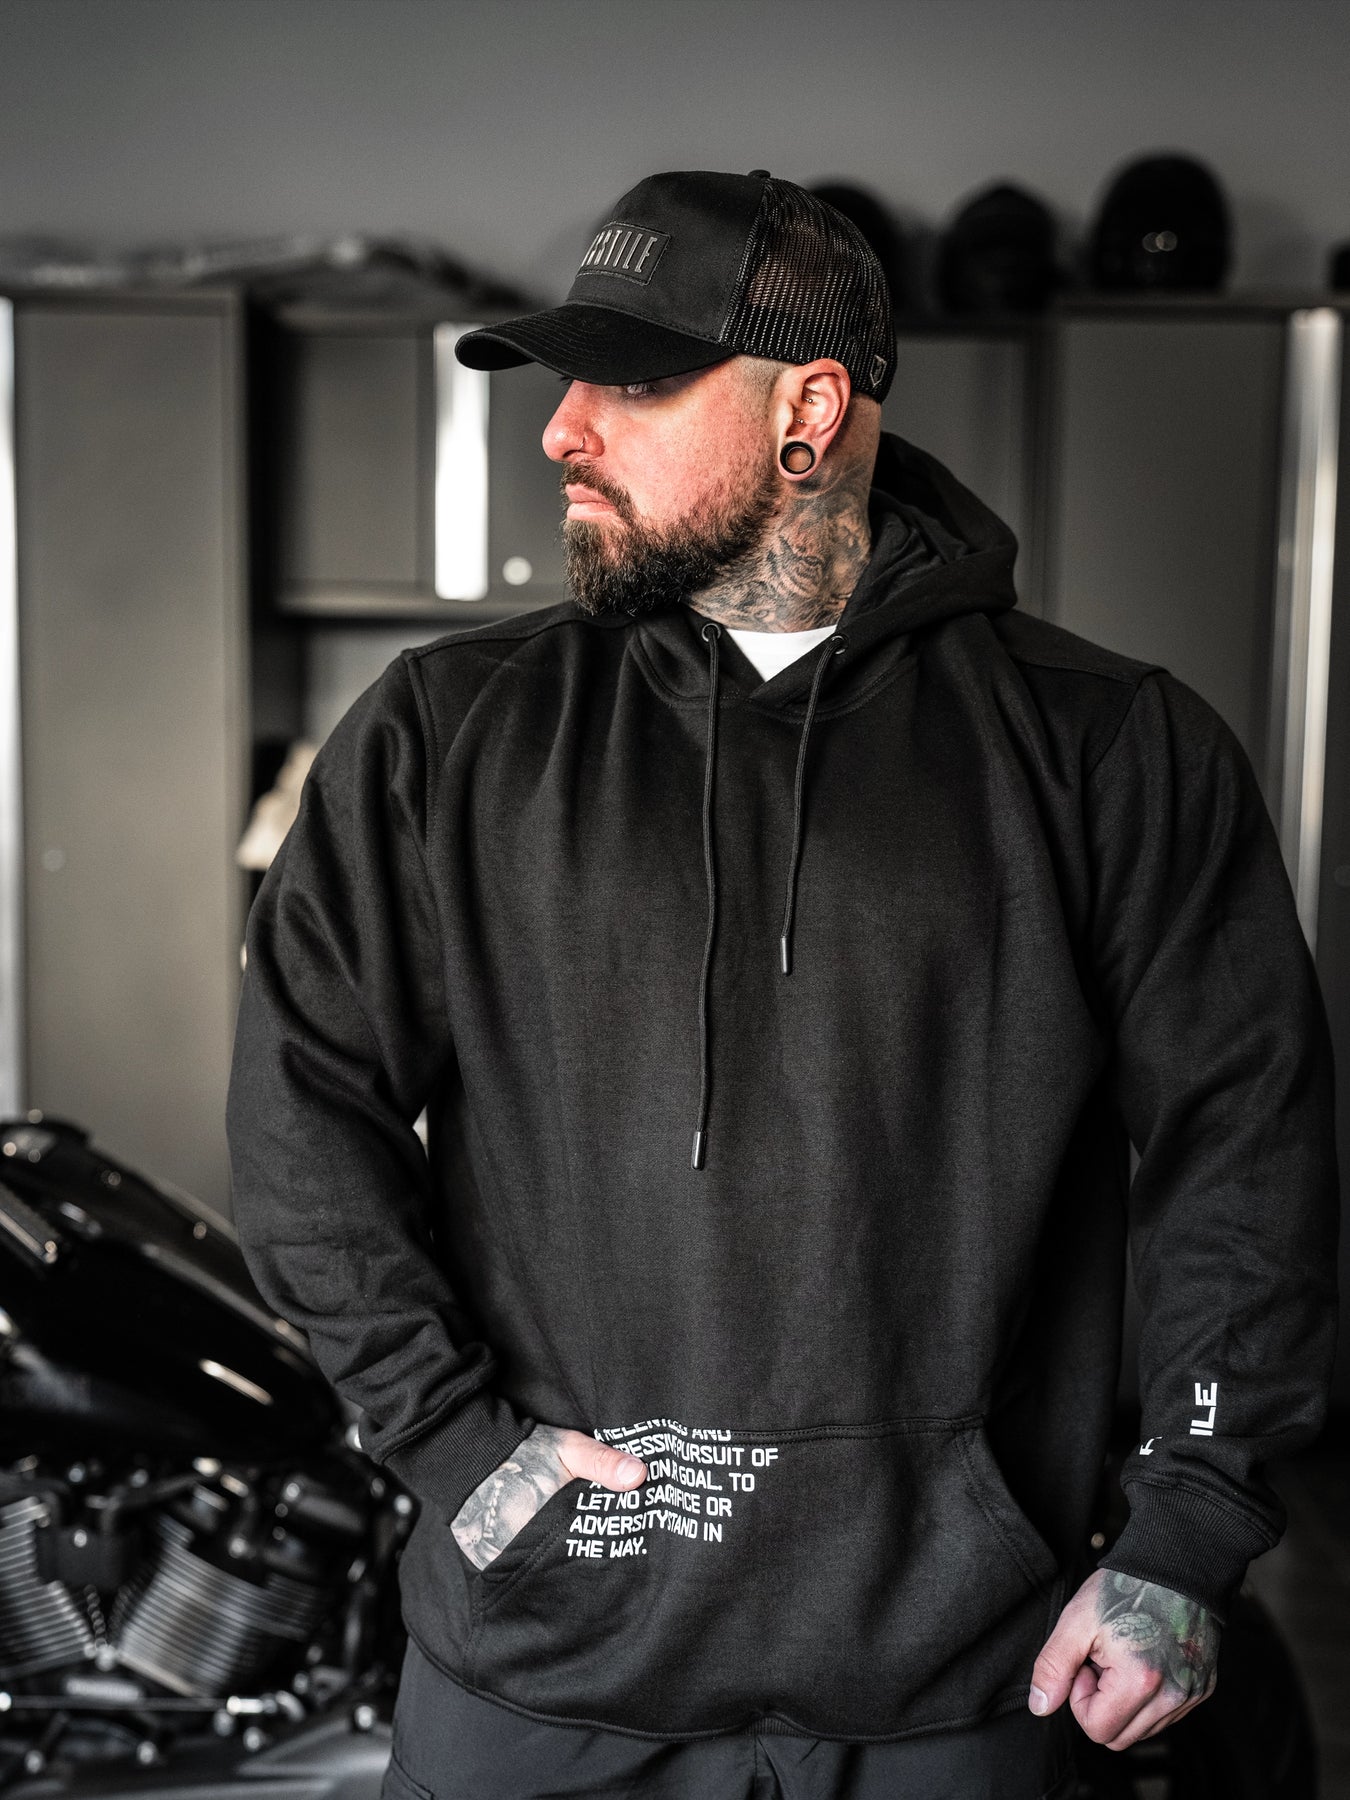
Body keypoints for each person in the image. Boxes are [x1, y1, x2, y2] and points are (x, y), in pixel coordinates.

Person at [224, 169, 1340, 1800]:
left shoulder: (1109, 747)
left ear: (806, 411)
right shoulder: (446, 735)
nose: (562, 430)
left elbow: (1242, 1149)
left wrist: (1188, 1527)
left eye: (632, 384)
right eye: (565, 382)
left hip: (961, 1673)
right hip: (545, 1665)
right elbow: (299, 1112)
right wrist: (452, 1444)